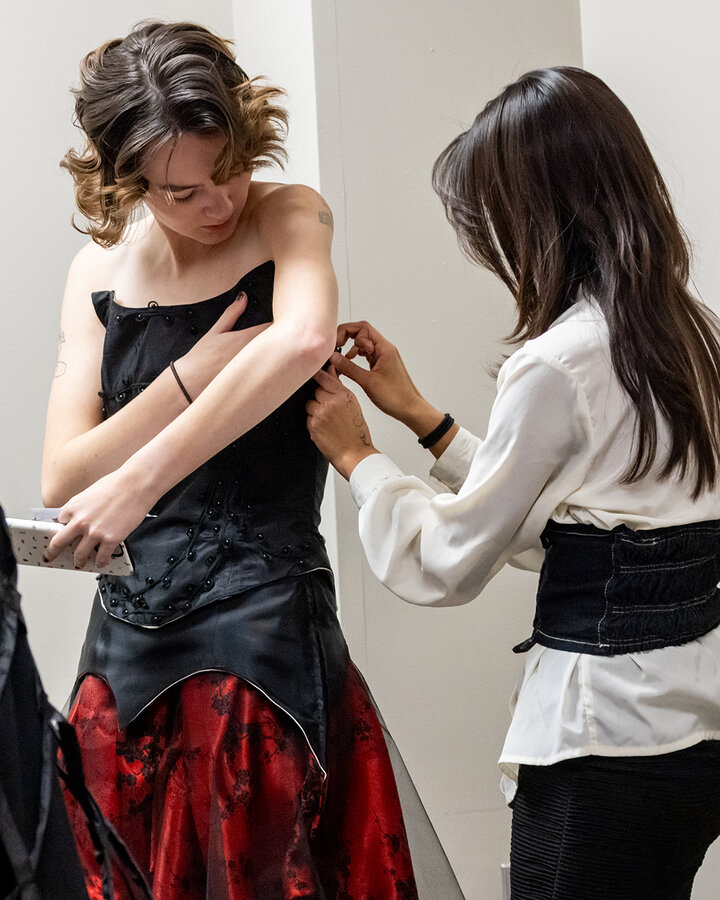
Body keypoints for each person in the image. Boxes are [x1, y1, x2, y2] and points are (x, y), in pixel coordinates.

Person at [41, 20, 464, 900]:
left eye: (226, 167)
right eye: (180, 191)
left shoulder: (289, 213)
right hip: (123, 643)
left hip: (262, 628)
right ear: (127, 182)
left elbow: (303, 338)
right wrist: (186, 376)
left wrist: (135, 482)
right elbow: (62, 477)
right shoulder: (98, 269)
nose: (217, 202)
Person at [307, 66, 720, 900]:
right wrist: (424, 419)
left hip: (600, 745)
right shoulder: (687, 332)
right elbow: (584, 527)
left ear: (539, 215)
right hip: (695, 731)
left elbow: (450, 560)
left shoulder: (557, 361)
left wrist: (360, 459)